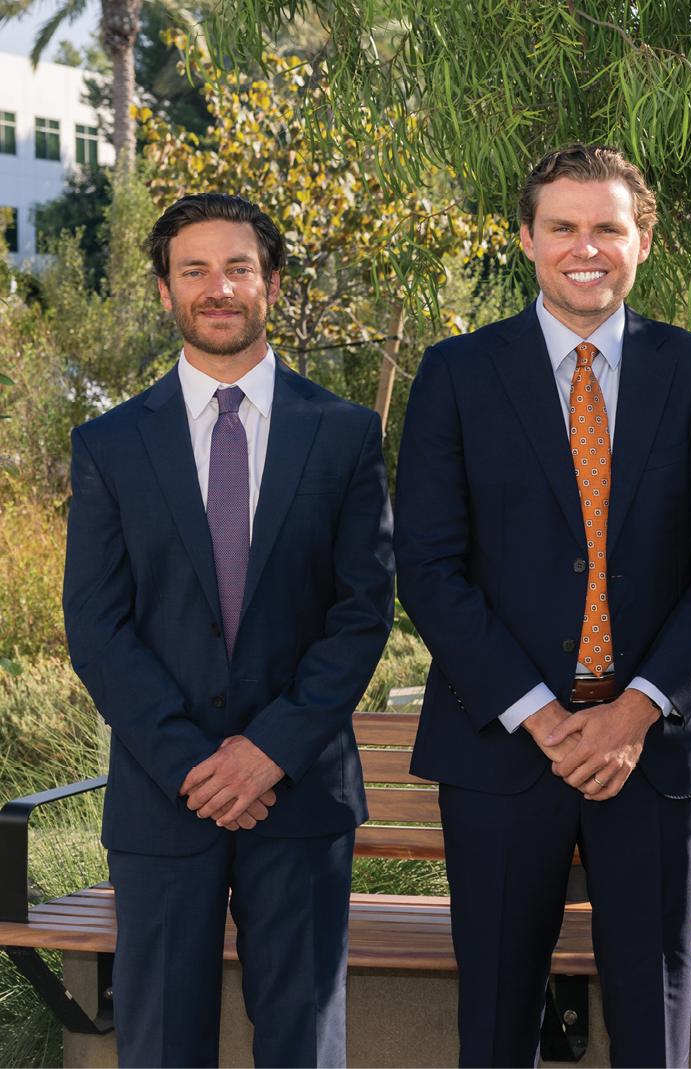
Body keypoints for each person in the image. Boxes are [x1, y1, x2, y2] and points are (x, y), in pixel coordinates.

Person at [394, 144, 691, 1069]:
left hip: (657, 749)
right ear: (527, 238)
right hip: (503, 744)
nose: (584, 247)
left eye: (608, 227)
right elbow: (429, 568)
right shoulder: (457, 374)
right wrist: (545, 716)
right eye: (562, 227)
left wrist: (634, 709)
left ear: (643, 240)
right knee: (495, 1014)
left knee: (653, 1015)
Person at [63, 192, 393, 1068]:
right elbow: (96, 627)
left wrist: (266, 751)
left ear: (272, 285)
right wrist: (190, 763)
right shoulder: (109, 445)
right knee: (164, 1045)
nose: (218, 288)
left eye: (238, 268)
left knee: (302, 1043)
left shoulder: (347, 434)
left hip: (301, 796)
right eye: (194, 270)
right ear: (165, 291)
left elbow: (362, 612)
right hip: (162, 800)